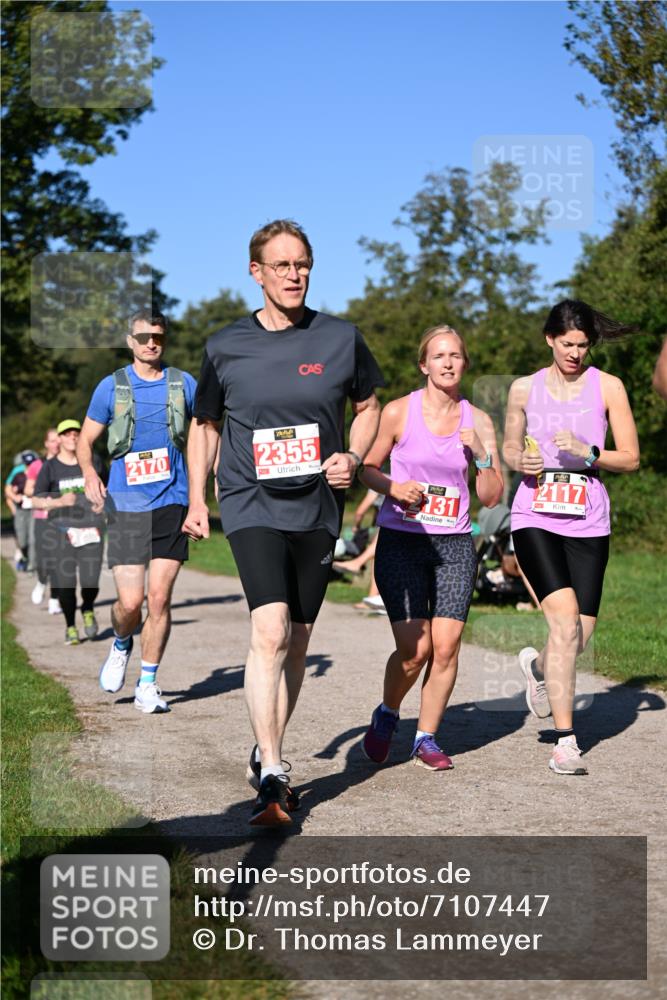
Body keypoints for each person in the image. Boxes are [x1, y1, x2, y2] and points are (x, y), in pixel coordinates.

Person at [183, 219, 383, 826]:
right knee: (268, 631)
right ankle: (273, 770)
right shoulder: (225, 346)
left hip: (318, 507)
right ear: (257, 272)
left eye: (302, 265)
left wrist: (352, 455)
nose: (294, 275)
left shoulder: (341, 338)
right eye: (281, 266)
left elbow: (369, 404)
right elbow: (207, 425)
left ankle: (265, 745)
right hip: (249, 500)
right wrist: (198, 498)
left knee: (297, 640)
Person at [503, 299, 640, 775]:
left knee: (576, 637)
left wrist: (590, 451)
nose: (575, 353)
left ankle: (539, 670)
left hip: (588, 520)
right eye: (567, 344)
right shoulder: (524, 388)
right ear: (549, 339)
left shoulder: (609, 387)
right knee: (563, 627)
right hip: (534, 514)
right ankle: (565, 741)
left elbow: (631, 457)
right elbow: (508, 445)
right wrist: (521, 460)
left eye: (583, 345)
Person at [359, 324, 503, 771]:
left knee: (447, 645)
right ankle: (387, 713)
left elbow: (492, 495)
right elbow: (365, 468)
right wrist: (393, 487)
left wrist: (480, 454)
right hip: (403, 540)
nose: (447, 362)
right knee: (414, 649)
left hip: (455, 542)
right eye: (438, 356)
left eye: (455, 355)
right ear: (424, 364)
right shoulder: (400, 412)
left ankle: (426, 738)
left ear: (464, 363)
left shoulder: (478, 421)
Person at [78, 309, 196, 714]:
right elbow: (85, 439)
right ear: (130, 340)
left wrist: (199, 496)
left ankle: (148, 682)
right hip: (126, 505)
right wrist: (90, 474)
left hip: (172, 500)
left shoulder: (185, 384)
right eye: (143, 336)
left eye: (158, 337)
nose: (151, 343)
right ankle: (120, 643)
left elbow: (203, 437)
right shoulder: (110, 387)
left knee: (159, 599)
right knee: (130, 603)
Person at [33, 421, 105, 644]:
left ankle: (88, 607)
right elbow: (35, 500)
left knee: (90, 580)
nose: (73, 438)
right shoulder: (50, 467)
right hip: (61, 532)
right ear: (60, 439)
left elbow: (109, 487)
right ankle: (70, 626)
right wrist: (59, 502)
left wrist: (104, 502)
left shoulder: (94, 461)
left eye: (77, 434)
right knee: (65, 583)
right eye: (67, 434)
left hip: (91, 529)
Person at [24, 428, 61, 607]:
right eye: (53, 440)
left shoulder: (66, 464)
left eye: (58, 440)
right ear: (46, 444)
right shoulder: (37, 465)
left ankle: (54, 598)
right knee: (43, 558)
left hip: (62, 518)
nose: (57, 444)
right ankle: (41, 581)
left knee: (59, 559)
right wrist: (43, 491)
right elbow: (28, 489)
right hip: (41, 516)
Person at [5, 450, 39, 571]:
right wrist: (14, 500)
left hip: (34, 510)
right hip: (21, 510)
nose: (29, 466)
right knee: (22, 540)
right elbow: (8, 490)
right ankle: (24, 556)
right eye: (27, 463)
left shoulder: (38, 473)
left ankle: (32, 565)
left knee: (33, 538)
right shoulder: (17, 474)